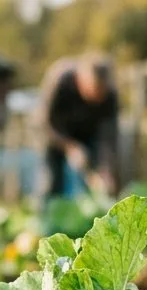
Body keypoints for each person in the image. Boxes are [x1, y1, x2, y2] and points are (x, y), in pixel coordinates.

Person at [35, 54, 119, 201]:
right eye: (93, 92)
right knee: (51, 183)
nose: (97, 99)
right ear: (81, 81)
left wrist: (106, 168)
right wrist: (69, 147)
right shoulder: (59, 81)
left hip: (89, 135)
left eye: (101, 95)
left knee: (94, 188)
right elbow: (44, 123)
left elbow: (109, 136)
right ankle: (46, 219)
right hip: (55, 135)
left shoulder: (110, 96)